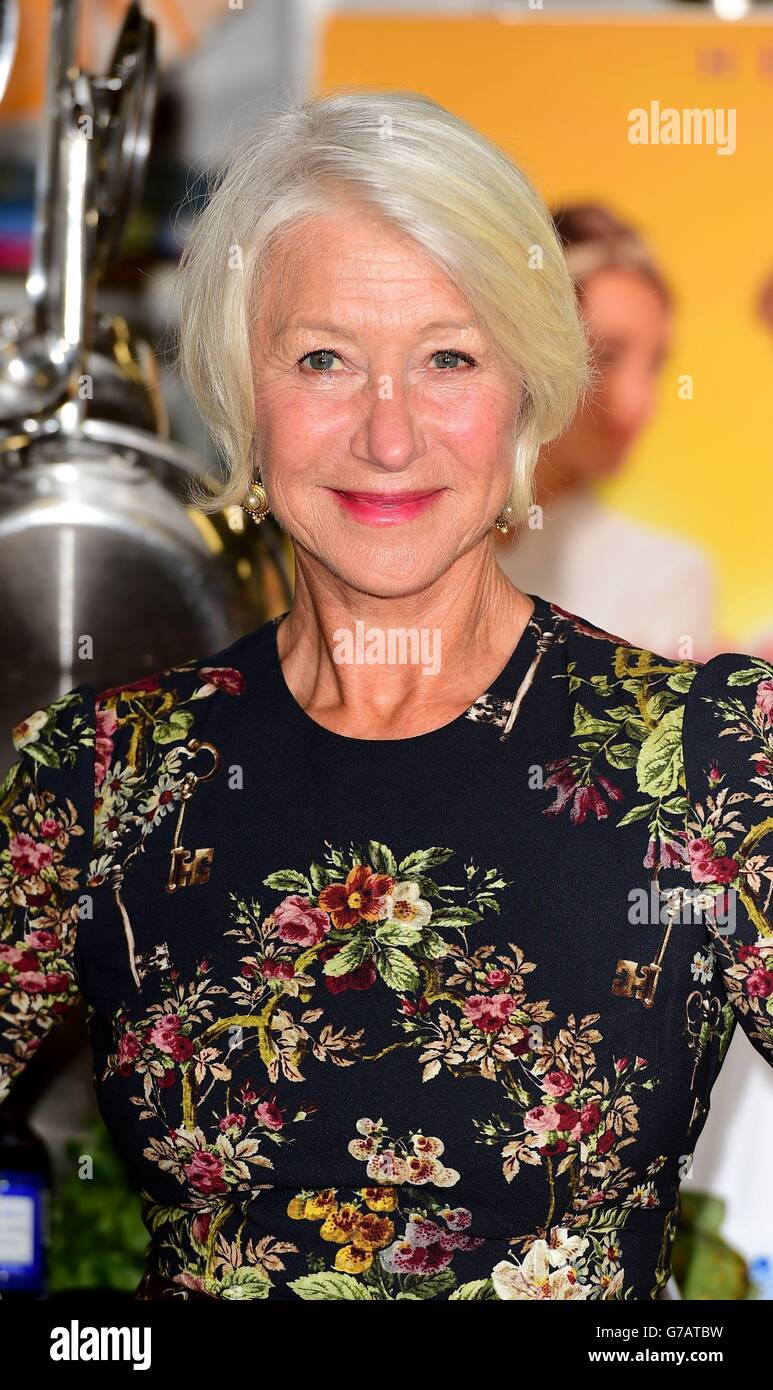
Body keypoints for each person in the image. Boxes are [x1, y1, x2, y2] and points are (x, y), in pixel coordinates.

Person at [1, 89, 770, 1302]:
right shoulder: (101, 775)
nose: (388, 434)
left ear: (526, 389)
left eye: (447, 358)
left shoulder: (710, 760)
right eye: (322, 359)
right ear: (237, 393)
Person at [496, 203, 716, 661]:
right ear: (535, 347)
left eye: (655, 365)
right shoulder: (421, 534)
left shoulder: (666, 577)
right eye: (609, 355)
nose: (639, 402)